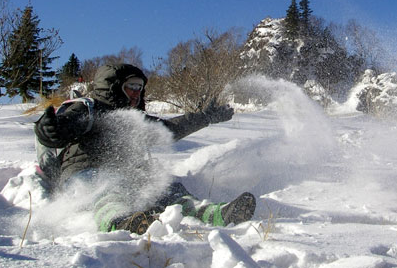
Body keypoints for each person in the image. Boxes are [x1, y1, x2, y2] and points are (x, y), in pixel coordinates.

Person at [34, 63, 255, 234]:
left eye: (140, 87)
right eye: (131, 86)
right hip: (86, 176)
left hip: (128, 175)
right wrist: (50, 130)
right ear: (113, 87)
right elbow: (61, 129)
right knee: (110, 189)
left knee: (168, 188)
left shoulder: (134, 119)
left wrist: (206, 117)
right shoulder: (87, 110)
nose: (136, 92)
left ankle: (213, 214)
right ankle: (118, 222)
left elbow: (169, 129)